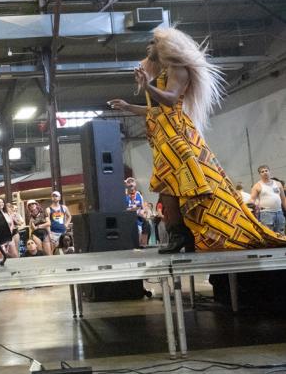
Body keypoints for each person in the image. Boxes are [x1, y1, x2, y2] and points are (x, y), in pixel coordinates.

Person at [108, 26, 286, 252]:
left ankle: (182, 236)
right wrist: (128, 106)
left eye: (153, 42)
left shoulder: (178, 69)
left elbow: (171, 100)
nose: (148, 46)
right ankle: (182, 235)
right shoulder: (165, 72)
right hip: (164, 137)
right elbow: (156, 110)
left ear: (165, 46)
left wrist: (146, 87)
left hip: (176, 135)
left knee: (172, 186)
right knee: (168, 187)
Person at [249, 165, 286, 234]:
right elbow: (252, 200)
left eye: (266, 170)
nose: (265, 172)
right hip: (266, 214)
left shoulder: (278, 184)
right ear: (260, 174)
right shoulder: (257, 186)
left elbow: (283, 199)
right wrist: (253, 211)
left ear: (269, 171)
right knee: (269, 234)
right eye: (262, 172)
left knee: (281, 234)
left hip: (279, 212)